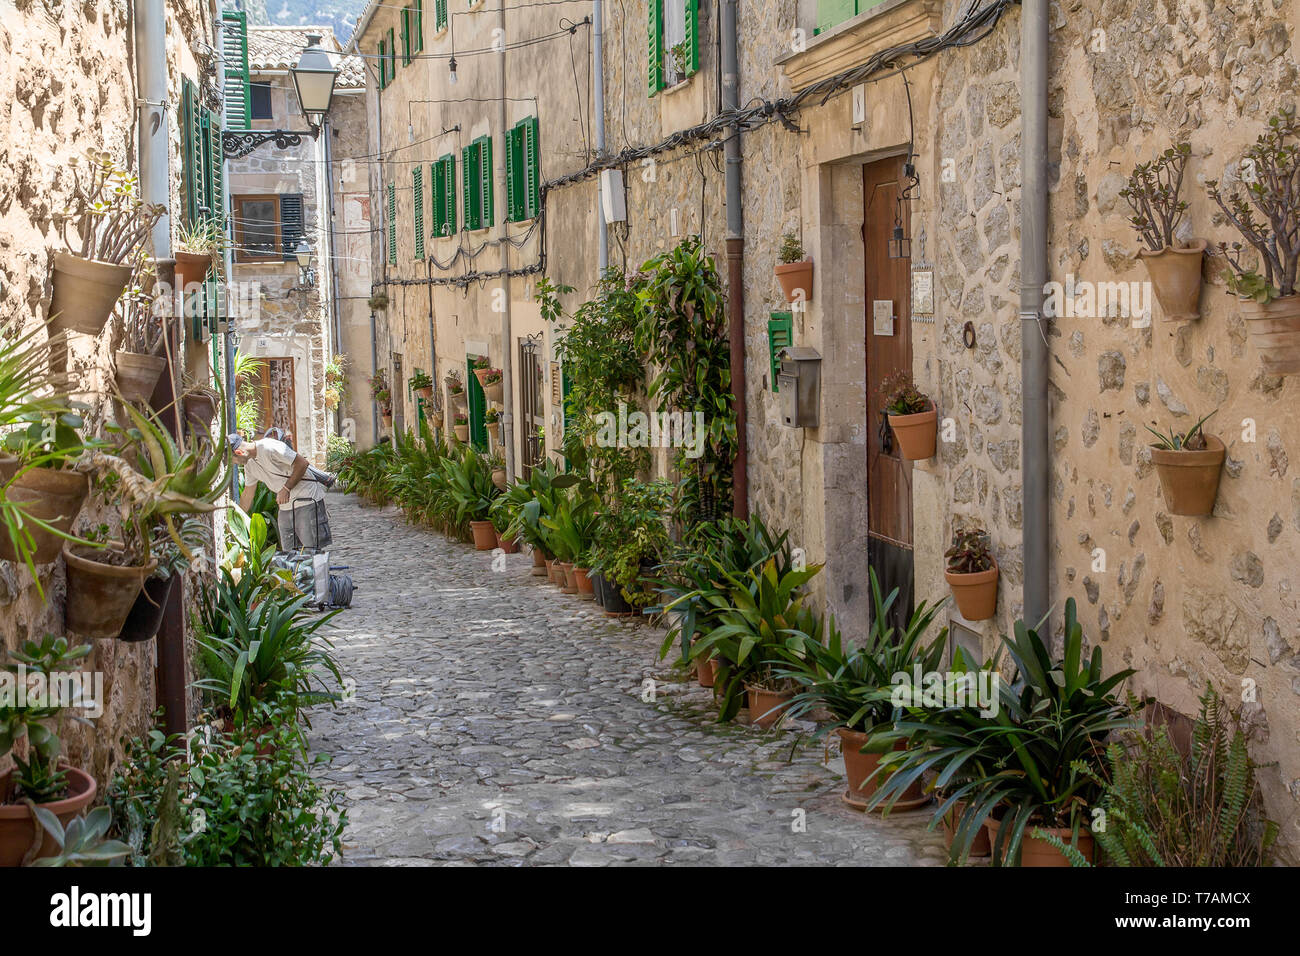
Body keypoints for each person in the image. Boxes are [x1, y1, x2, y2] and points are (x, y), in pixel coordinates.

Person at [229, 431, 332, 550]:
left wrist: (286, 488)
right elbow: (248, 494)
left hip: (306, 501)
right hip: (284, 508)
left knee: (311, 551)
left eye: (233, 461)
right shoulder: (249, 465)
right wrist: (235, 519)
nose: (234, 464)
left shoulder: (270, 447)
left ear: (239, 452)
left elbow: (302, 463)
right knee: (289, 555)